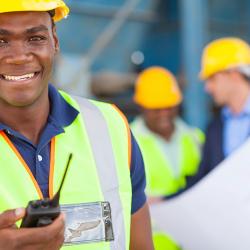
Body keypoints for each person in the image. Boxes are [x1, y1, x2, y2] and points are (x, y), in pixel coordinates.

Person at [0, 1, 153, 250]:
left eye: (35, 38)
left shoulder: (109, 125)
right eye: (1, 41)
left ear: (55, 42)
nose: (19, 57)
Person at [131, 66, 204, 250]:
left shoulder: (196, 138)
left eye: (169, 107)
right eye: (157, 109)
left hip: (194, 239)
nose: (164, 113)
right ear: (142, 107)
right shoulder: (126, 142)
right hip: (152, 242)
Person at [194, 37, 250, 180]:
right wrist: (165, 200)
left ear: (234, 74)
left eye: (212, 78)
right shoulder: (214, 127)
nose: (207, 88)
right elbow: (203, 180)